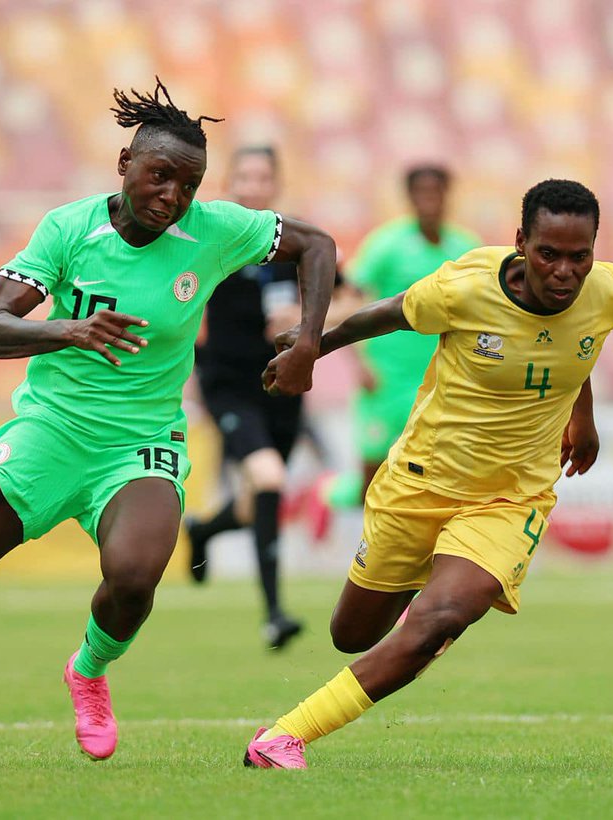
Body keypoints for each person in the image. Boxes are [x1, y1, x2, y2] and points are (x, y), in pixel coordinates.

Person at [0, 79, 337, 777]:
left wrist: (308, 339)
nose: (172, 196)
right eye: (160, 175)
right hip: (49, 434)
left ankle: (88, 670)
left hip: (139, 443)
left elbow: (316, 244)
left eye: (189, 184)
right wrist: (69, 329)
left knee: (135, 581)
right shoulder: (69, 230)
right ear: (124, 162)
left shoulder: (213, 231)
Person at [245, 179, 613, 769]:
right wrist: (312, 346)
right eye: (549, 254)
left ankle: (284, 736)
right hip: (418, 483)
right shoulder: (467, 286)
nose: (565, 272)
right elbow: (387, 314)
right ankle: (422, 611)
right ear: (521, 242)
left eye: (581, 257)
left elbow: (582, 345)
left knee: (441, 619)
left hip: (510, 496)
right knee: (351, 634)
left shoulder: (609, 294)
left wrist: (584, 418)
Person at [187, 145, 358, 650]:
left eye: (263, 177)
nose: (254, 186)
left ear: (275, 184)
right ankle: (275, 614)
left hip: (281, 386)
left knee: (257, 497)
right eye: (244, 177)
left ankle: (202, 531)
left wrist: (309, 322)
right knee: (269, 477)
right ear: (230, 185)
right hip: (228, 384)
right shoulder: (211, 237)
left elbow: (348, 294)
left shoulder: (296, 242)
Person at [323, 166, 478, 508]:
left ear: (447, 195)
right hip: (386, 375)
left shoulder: (465, 248)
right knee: (371, 471)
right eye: (421, 192)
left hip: (440, 375)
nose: (429, 200)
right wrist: (358, 361)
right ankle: (329, 496)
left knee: (433, 470)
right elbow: (350, 302)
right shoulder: (386, 245)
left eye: (435, 192)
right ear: (409, 197)